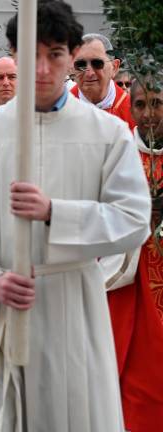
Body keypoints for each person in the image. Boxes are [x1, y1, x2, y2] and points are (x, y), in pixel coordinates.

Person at [0, 1, 151, 430]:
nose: (43, 69)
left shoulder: (106, 134)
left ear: (70, 57)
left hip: (72, 303)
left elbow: (133, 216)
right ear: (13, 53)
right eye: (32, 55)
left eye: (55, 55)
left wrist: (56, 214)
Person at [102, 78, 163, 431]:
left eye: (157, 103)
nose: (149, 114)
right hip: (131, 279)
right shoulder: (120, 155)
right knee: (137, 374)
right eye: (140, 105)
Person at [70, 33, 134, 129]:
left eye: (97, 64)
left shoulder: (132, 111)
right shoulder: (62, 108)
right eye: (81, 64)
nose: (89, 73)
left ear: (114, 67)